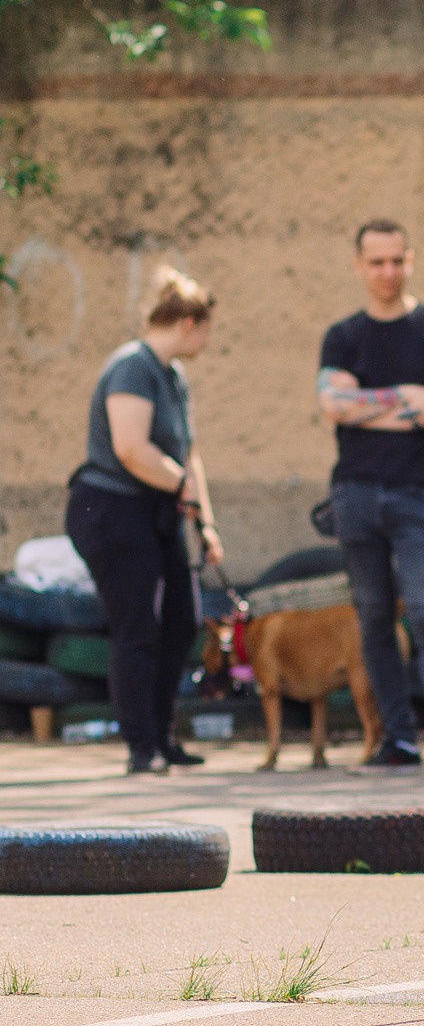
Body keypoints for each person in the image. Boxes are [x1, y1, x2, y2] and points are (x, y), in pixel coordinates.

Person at [316, 219, 424, 781]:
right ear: (358, 266)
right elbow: (333, 406)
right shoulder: (342, 336)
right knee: (375, 618)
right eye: (376, 262)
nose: (387, 272)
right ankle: (398, 742)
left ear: (411, 259)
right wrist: (407, 399)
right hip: (355, 495)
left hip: (419, 495)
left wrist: (371, 405)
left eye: (396, 260)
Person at [65, 268, 224, 775]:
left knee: (181, 622)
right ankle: (142, 748)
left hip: (156, 509)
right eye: (206, 328)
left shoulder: (173, 377)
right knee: (138, 627)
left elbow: (187, 457)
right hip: (112, 508)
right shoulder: (132, 367)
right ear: (187, 323)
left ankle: (163, 736)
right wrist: (182, 489)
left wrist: (207, 525)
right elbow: (131, 449)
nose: (207, 339)